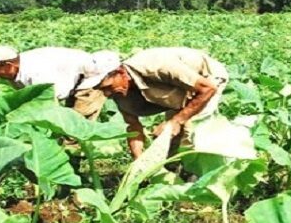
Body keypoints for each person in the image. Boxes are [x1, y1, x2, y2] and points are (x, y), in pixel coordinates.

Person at [82, 47, 229, 159]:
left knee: (190, 132)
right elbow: (133, 126)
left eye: (108, 87)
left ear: (120, 72)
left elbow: (208, 89)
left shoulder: (155, 66)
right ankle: (172, 171)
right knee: (169, 136)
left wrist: (177, 120)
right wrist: (138, 159)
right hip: (176, 92)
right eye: (102, 89)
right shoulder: (119, 91)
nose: (107, 94)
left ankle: (195, 181)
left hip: (206, 79)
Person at [0, 45, 107, 121]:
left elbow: (50, 102)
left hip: (90, 77)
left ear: (8, 65)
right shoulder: (13, 72)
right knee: (66, 121)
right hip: (72, 80)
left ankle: (72, 164)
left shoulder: (37, 72)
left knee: (76, 125)